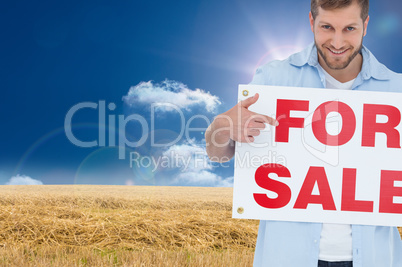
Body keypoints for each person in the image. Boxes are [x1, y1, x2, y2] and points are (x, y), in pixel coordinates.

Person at [205, 0, 402, 266]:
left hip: (375, 258)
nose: (337, 41)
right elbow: (218, 156)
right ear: (311, 22)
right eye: (327, 27)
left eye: (349, 29)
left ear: (366, 26)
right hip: (288, 258)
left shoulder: (395, 91)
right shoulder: (274, 79)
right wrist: (222, 126)